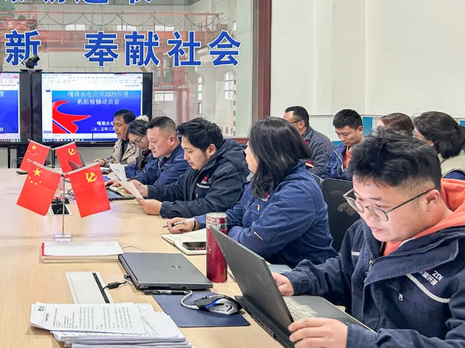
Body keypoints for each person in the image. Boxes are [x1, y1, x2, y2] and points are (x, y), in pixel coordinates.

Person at [272, 129, 465, 348]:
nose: (367, 217)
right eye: (359, 202)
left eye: (379, 207)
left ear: (430, 200)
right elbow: (345, 272)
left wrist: (365, 347)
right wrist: (297, 280)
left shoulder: (461, 258)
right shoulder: (373, 228)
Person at [168, 118, 336, 267]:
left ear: (266, 153)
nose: (245, 151)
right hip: (263, 268)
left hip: (294, 276)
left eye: (249, 147)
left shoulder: (298, 193)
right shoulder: (265, 178)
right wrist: (196, 222)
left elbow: (254, 244)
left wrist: (229, 231)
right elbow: (237, 213)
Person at [134, 117, 249, 217]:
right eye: (184, 150)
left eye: (189, 151)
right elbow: (178, 189)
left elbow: (212, 207)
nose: (185, 157)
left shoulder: (230, 169)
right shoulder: (199, 162)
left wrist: (163, 208)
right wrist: (147, 190)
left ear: (210, 149)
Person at [413, 111, 465, 180]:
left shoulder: (454, 174)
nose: (413, 139)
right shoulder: (434, 159)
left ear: (433, 142)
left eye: (416, 136)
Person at [283, 106, 333, 176]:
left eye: (287, 124)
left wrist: (295, 176)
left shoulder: (321, 142)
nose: (284, 127)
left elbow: (322, 169)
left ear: (301, 124)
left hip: (308, 180)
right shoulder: (285, 139)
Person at [321, 109, 364, 180]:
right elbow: (326, 175)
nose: (342, 138)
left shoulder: (372, 154)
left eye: (345, 134)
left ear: (360, 130)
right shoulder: (337, 151)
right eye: (338, 134)